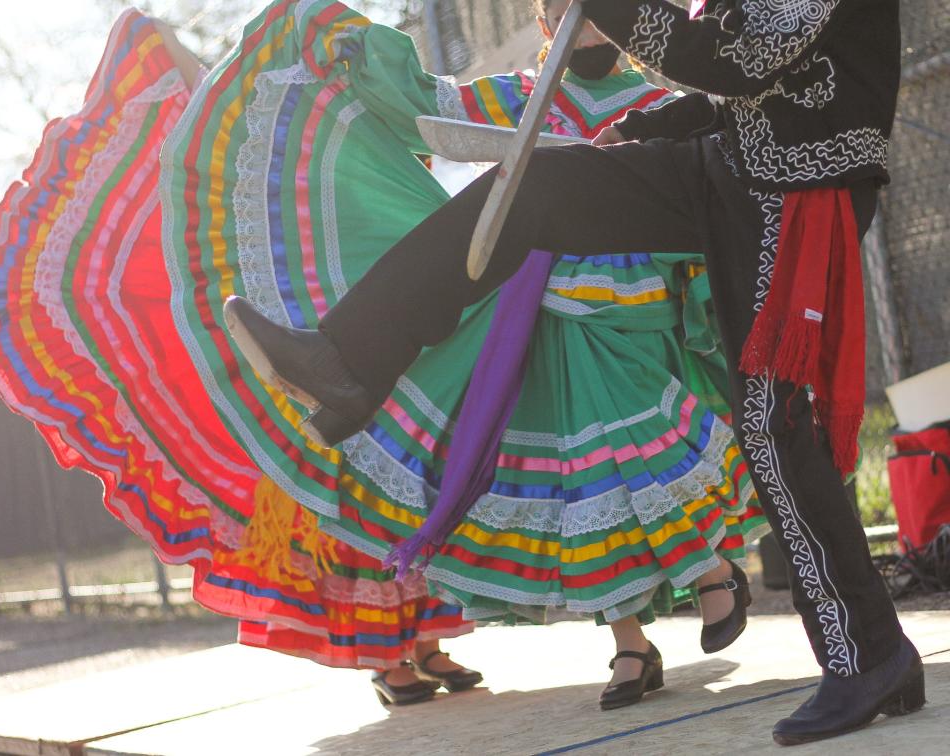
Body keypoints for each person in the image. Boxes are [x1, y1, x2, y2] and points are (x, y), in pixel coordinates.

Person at [224, 0, 925, 745]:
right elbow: (739, 87)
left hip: (798, 192)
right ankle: (344, 363)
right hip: (730, 167)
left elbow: (737, 60)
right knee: (539, 186)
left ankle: (870, 656)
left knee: (772, 426)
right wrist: (650, 127)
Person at [163, 0, 766, 710]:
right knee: (586, 471)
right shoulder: (520, 96)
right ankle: (634, 639)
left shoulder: (661, 100)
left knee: (638, 438)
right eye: (569, 11)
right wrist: (356, 49)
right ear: (548, 27)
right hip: (537, 310)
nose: (590, 22)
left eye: (600, 9)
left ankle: (709, 569)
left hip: (635, 305)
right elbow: (429, 105)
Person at [0, 8, 479, 707]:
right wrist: (158, 40)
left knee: (407, 469)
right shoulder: (230, 136)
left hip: (364, 307)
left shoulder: (320, 118)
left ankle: (427, 641)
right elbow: (179, 69)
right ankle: (385, 653)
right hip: (293, 333)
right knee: (342, 484)